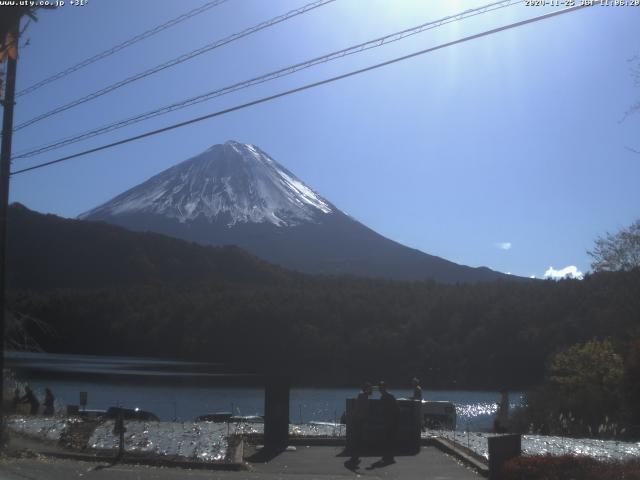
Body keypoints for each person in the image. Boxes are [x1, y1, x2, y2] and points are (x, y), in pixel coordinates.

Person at [351, 382, 372, 460]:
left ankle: (356, 452)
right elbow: (360, 407)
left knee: (358, 435)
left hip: (359, 418)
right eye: (370, 388)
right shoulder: (363, 395)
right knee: (358, 435)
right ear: (366, 388)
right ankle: (356, 452)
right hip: (359, 418)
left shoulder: (363, 394)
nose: (371, 390)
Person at [379, 381, 398, 463]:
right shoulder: (389, 396)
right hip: (389, 420)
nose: (380, 389)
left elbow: (394, 409)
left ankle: (388, 456)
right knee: (389, 438)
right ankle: (389, 456)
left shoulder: (385, 397)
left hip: (389, 420)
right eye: (380, 388)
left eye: (381, 388)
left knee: (388, 438)